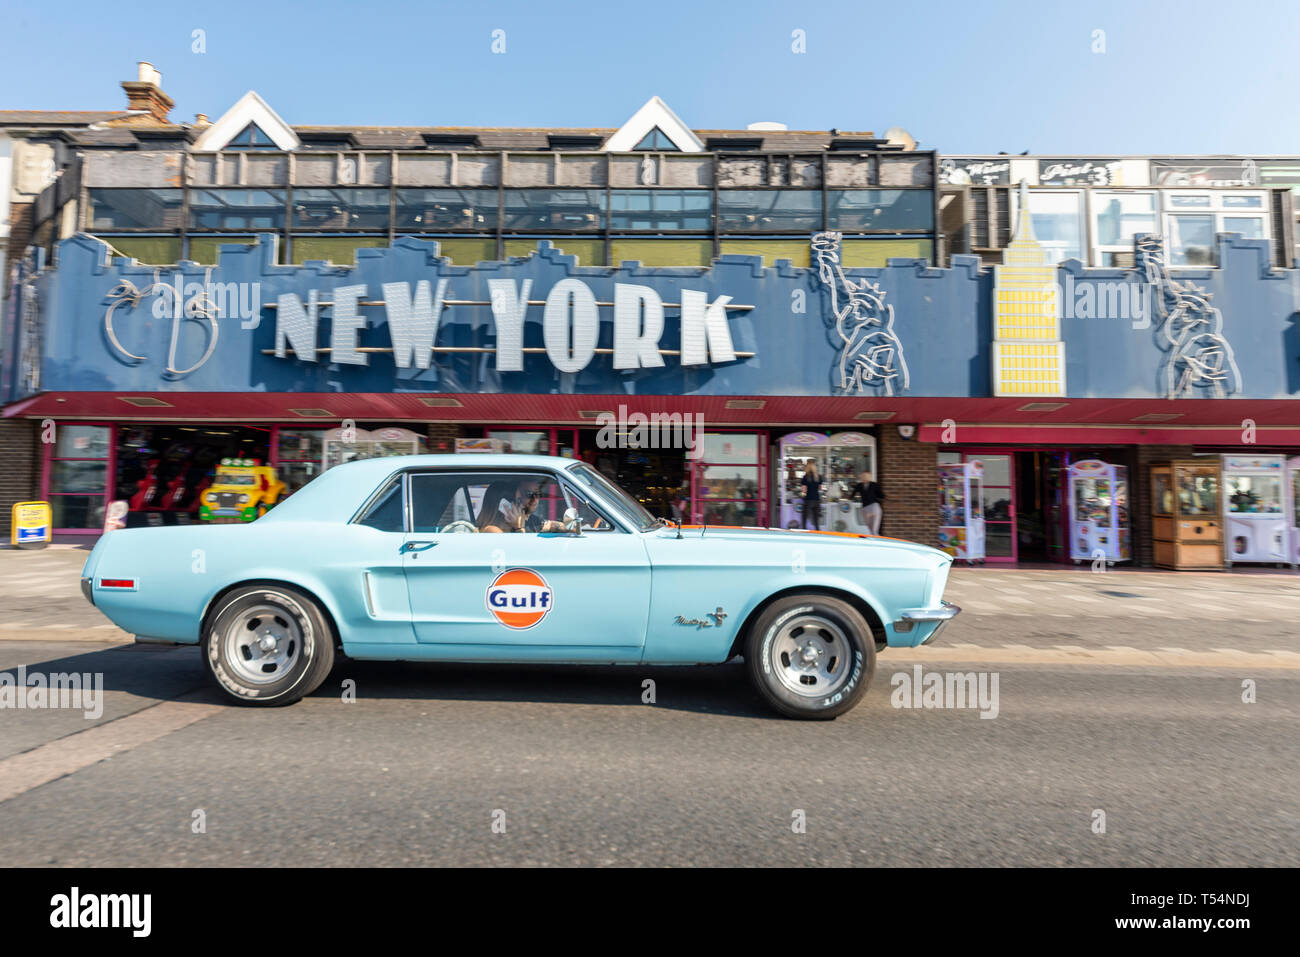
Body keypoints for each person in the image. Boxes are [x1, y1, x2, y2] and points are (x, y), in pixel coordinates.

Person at [479, 478, 566, 533]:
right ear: (504, 507)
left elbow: (549, 525)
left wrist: (573, 527)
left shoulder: (527, 522)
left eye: (538, 494)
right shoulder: (492, 531)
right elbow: (521, 554)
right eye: (518, 500)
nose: (520, 504)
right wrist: (519, 528)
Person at [854, 470, 885, 535]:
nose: (864, 478)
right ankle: (874, 541)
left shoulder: (874, 485)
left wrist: (876, 498)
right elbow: (853, 494)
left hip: (874, 507)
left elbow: (881, 495)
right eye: (862, 476)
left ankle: (876, 543)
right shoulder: (859, 485)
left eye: (865, 476)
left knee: (874, 530)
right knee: (870, 529)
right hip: (865, 509)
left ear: (869, 477)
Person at [800, 459, 823, 530]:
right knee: (816, 519)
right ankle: (818, 532)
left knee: (804, 517)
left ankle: (804, 531)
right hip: (816, 499)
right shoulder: (818, 477)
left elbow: (803, 491)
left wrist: (802, 496)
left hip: (808, 499)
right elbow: (820, 489)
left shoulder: (805, 477)